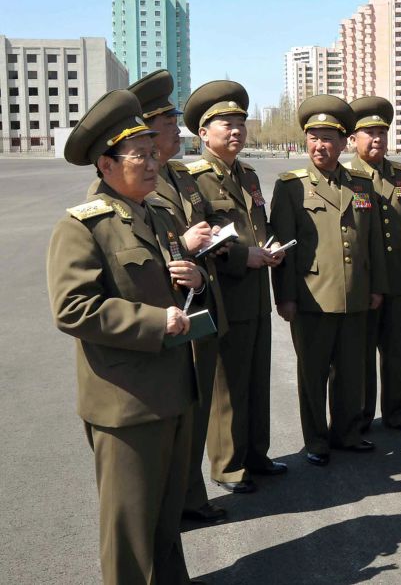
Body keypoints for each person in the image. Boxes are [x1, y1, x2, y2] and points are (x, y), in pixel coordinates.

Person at [47, 89, 206, 584]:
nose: (154, 162)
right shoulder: (82, 227)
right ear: (107, 164)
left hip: (174, 389)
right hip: (127, 403)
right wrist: (155, 322)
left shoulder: (158, 216)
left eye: (153, 152)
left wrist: (196, 279)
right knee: (130, 526)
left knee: (164, 519)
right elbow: (72, 309)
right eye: (140, 155)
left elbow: (175, 283)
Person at [126, 70, 229, 523]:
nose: (176, 129)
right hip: (170, 310)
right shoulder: (142, 185)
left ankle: (190, 494)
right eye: (168, 123)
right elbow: (150, 246)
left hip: (198, 301)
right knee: (178, 412)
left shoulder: (183, 174)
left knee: (197, 407)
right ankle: (180, 499)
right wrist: (184, 244)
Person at [270, 95, 388, 466]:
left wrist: (377, 286)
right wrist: (284, 297)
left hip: (355, 294)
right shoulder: (291, 186)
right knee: (313, 374)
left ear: (343, 143)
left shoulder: (360, 184)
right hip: (311, 297)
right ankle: (316, 440)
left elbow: (373, 244)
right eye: (313, 138)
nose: (320, 145)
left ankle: (347, 433)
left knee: (351, 371)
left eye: (328, 138)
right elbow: (284, 247)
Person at [185, 80, 286, 494]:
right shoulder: (191, 178)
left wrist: (269, 248)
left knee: (256, 379)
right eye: (225, 124)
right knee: (227, 384)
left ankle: (256, 454)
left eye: (241, 124)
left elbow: (254, 225)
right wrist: (246, 256)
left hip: (256, 292)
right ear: (203, 133)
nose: (236, 131)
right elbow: (202, 238)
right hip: (224, 294)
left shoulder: (246, 173)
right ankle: (228, 465)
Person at [348, 96, 401, 432]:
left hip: (396, 278)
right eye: (368, 133)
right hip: (361, 281)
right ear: (353, 139)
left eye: (381, 132)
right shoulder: (346, 176)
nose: (376, 139)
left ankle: (399, 412)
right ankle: (361, 416)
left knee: (396, 351)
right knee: (360, 355)